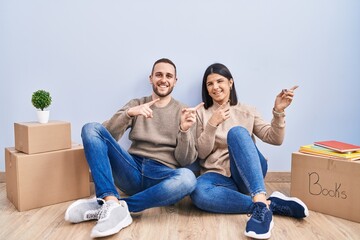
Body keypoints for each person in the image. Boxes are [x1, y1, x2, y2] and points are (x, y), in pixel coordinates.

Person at [64, 58, 202, 238]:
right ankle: (110, 201)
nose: (163, 79)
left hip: (161, 176)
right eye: (159, 74)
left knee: (188, 179)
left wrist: (183, 130)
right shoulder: (137, 104)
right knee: (90, 128)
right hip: (131, 169)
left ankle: (113, 205)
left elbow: (185, 160)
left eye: (169, 76)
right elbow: (105, 136)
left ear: (175, 81)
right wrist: (129, 114)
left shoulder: (184, 111)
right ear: (151, 78)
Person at [190, 63, 309, 239]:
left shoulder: (247, 110)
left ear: (230, 83)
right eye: (210, 84)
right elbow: (201, 153)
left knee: (237, 133)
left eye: (219, 81)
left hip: (248, 174)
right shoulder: (202, 114)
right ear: (206, 89)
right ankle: (266, 205)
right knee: (197, 192)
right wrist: (212, 125)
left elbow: (275, 139)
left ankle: (259, 202)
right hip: (217, 177)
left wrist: (278, 112)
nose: (215, 87)